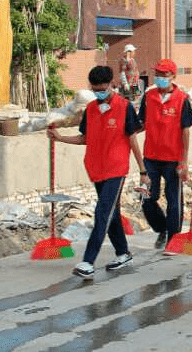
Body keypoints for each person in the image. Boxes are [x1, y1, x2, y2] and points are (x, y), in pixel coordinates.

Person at [47, 66, 144, 279]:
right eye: (95, 89)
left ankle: (88, 261)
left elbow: (132, 139)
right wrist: (60, 137)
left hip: (116, 169)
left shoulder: (124, 107)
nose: (100, 93)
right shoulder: (90, 109)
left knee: (102, 213)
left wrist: (143, 170)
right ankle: (123, 253)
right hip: (96, 168)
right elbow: (85, 138)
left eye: (103, 89)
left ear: (111, 85)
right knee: (111, 213)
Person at [137, 59, 192, 250]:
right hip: (151, 157)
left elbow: (186, 131)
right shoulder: (149, 96)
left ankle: (173, 238)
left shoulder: (182, 99)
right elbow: (142, 123)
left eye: (164, 75)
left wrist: (184, 161)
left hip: (173, 159)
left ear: (173, 76)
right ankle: (162, 229)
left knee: (174, 202)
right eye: (158, 74)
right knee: (147, 198)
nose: (160, 78)